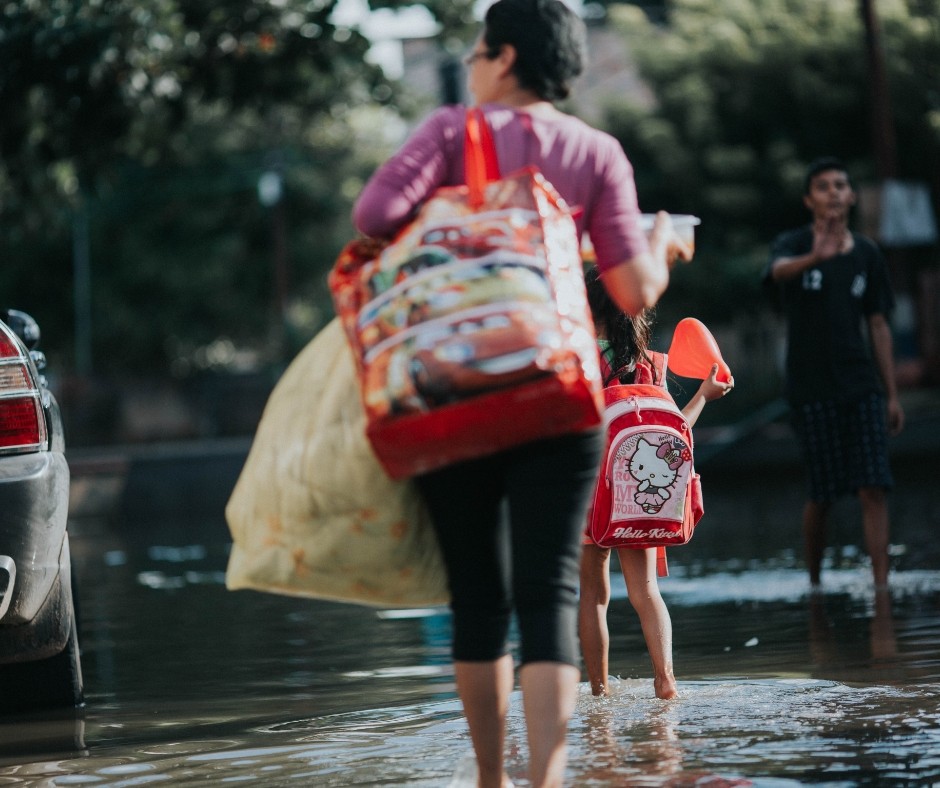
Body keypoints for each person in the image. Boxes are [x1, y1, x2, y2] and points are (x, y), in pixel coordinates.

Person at [352, 2, 692, 785]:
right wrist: (661, 243)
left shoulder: (450, 134)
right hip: (560, 396)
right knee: (550, 593)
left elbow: (372, 215)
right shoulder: (594, 151)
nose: (472, 65)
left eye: (476, 52)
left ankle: (490, 781)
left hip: (455, 392)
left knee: (477, 596)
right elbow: (634, 288)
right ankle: (546, 778)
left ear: (502, 58)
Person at [577, 266, 733, 701]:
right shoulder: (652, 365)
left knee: (593, 595)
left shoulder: (577, 361)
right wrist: (704, 393)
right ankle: (666, 682)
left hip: (590, 491)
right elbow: (671, 436)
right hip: (639, 495)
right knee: (647, 593)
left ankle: (600, 692)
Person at [765, 157, 905, 591]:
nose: (833, 192)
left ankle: (881, 587)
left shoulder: (867, 253)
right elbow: (774, 274)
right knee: (822, 494)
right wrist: (815, 257)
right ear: (809, 199)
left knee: (873, 486)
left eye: (840, 185)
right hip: (811, 388)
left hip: (860, 384)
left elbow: (878, 324)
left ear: (851, 195)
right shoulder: (792, 244)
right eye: (822, 186)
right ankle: (815, 585)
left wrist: (892, 394)